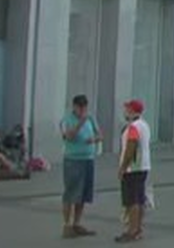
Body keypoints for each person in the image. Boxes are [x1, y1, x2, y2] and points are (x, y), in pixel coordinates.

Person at [59, 94, 102, 238]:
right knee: (71, 192)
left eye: (85, 107)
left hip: (88, 159)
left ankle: (77, 223)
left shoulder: (91, 118)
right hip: (73, 160)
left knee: (83, 194)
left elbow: (100, 135)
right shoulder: (67, 120)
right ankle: (67, 224)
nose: (83, 110)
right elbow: (69, 137)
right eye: (80, 107)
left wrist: (94, 139)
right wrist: (80, 123)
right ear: (74, 107)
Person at [116, 99, 152, 243]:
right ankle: (138, 229)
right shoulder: (144, 125)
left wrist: (123, 167)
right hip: (143, 166)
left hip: (133, 169)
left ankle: (132, 230)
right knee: (140, 198)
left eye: (127, 109)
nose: (125, 112)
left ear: (132, 111)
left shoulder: (133, 127)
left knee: (132, 201)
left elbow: (130, 148)